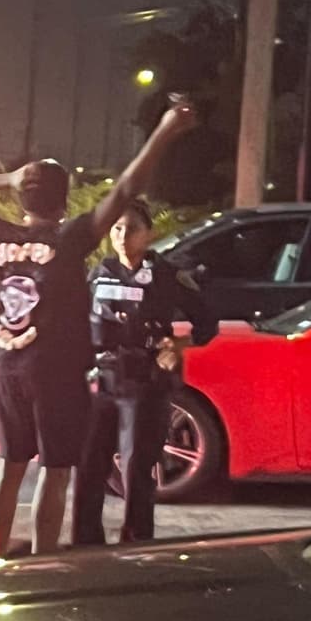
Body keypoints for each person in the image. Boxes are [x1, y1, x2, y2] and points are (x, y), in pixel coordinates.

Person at [0, 100, 197, 559]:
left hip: (7, 369)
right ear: (63, 204)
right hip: (55, 375)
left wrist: (7, 178)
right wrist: (166, 129)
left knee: (11, 467)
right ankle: (42, 561)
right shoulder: (67, 240)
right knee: (55, 470)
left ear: (22, 199)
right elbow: (126, 188)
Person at [72, 198, 217, 545]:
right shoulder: (100, 273)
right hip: (101, 379)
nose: (123, 237)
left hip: (143, 381)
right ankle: (85, 543)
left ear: (148, 234)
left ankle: (136, 544)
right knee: (89, 465)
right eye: (117, 228)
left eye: (132, 229)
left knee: (137, 467)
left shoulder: (167, 276)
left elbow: (207, 322)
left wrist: (178, 346)